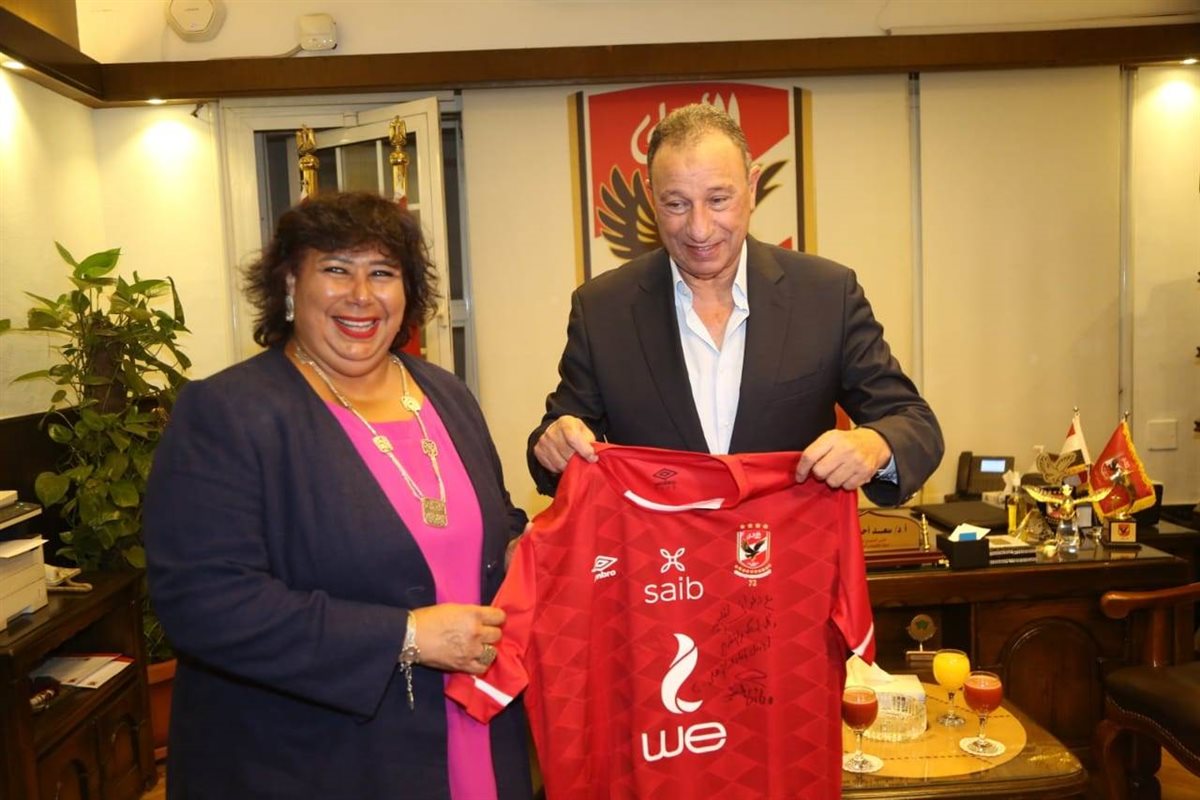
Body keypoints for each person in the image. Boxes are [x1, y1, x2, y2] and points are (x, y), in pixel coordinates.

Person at [145, 192, 532, 800]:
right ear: (289, 284)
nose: (361, 294)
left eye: (382, 272)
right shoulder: (228, 413)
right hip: (313, 759)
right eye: (335, 268)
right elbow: (204, 603)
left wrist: (521, 552)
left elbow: (494, 521)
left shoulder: (446, 394)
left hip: (473, 727)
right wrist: (405, 636)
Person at [529, 103, 943, 505]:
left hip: (790, 547)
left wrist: (875, 444)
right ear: (651, 198)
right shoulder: (604, 310)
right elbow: (557, 437)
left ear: (752, 187)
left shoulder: (827, 295)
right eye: (676, 204)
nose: (699, 229)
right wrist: (554, 445)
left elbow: (914, 423)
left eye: (718, 200)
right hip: (660, 551)